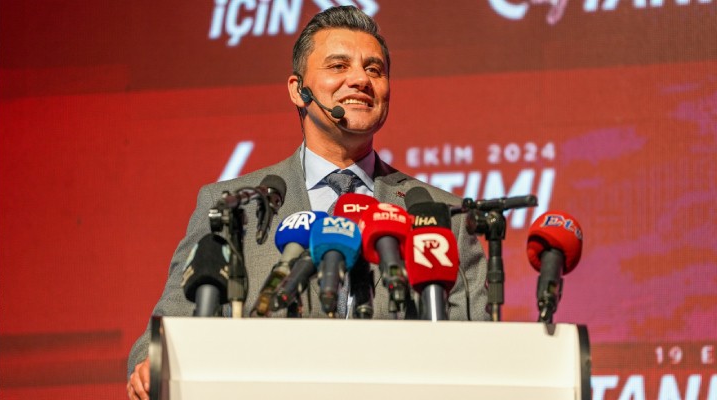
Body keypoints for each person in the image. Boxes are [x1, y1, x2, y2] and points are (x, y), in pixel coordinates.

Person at [126, 6, 488, 399]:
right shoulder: (234, 207)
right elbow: (170, 326)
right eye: (338, 66)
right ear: (298, 90)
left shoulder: (440, 215)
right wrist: (152, 363)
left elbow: (481, 351)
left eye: (374, 69)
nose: (360, 80)